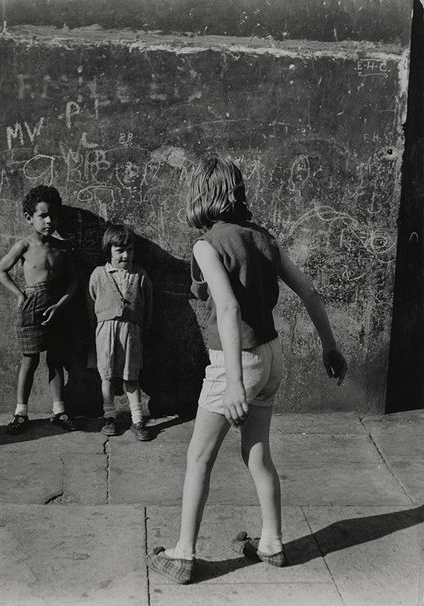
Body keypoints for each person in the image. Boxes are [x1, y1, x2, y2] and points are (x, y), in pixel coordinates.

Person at [146, 154, 348, 583]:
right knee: (257, 452)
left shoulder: (206, 244)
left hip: (237, 362)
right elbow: (310, 292)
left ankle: (182, 555)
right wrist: (330, 347)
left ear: (200, 194)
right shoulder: (264, 238)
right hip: (272, 356)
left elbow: (226, 307)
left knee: (199, 456)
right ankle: (271, 542)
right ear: (236, 191)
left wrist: (234, 381)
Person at [0, 185, 78, 435]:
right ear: (29, 217)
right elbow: (1, 270)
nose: (49, 220)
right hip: (31, 308)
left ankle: (59, 411)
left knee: (56, 360)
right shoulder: (24, 245)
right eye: (43, 215)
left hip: (57, 308)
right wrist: (20, 294)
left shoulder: (63, 248)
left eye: (53, 215)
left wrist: (61, 304)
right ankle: (20, 412)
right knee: (30, 360)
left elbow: (74, 281)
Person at [88, 224, 153, 441]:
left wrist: (144, 329)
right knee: (106, 375)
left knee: (130, 377)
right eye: (120, 251)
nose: (126, 255)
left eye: (130, 250)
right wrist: (97, 326)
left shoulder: (140, 275)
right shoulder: (98, 274)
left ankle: (137, 419)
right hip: (105, 331)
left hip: (131, 332)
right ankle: (109, 416)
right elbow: (91, 303)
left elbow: (148, 305)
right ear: (109, 251)